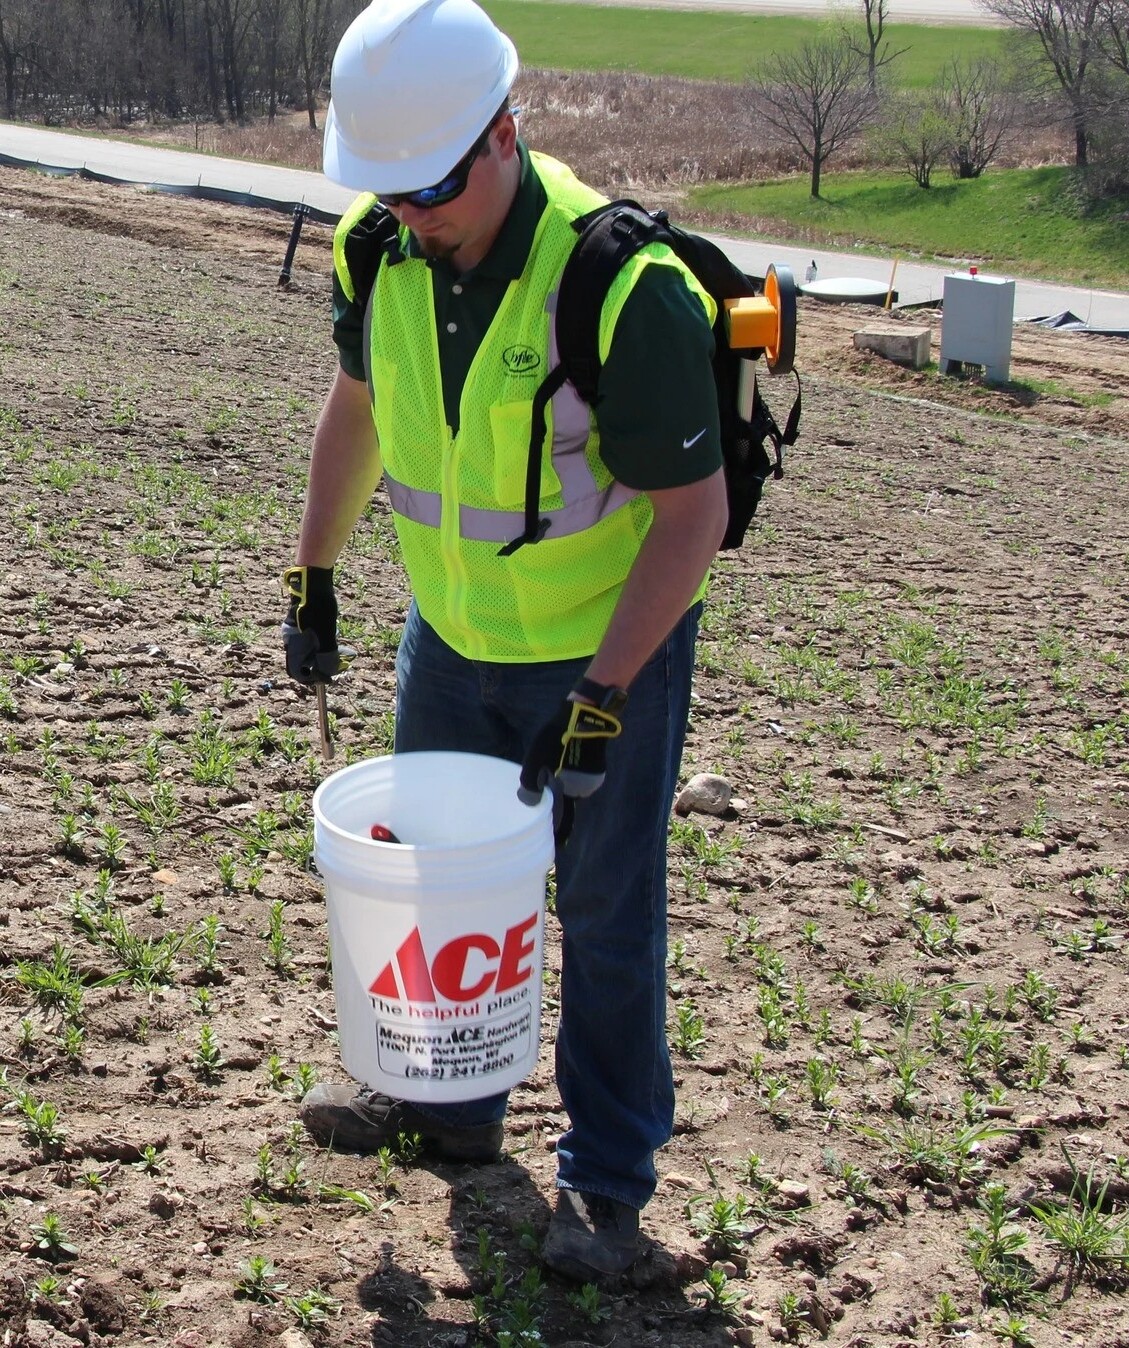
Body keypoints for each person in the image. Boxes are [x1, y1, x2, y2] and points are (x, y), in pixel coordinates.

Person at [283, 0, 728, 1282]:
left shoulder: (622, 287)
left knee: (603, 913)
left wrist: (605, 691)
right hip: (450, 638)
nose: (409, 211)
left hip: (600, 655)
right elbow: (359, 408)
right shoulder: (377, 251)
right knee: (435, 884)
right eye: (387, 187)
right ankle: (448, 1103)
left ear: (502, 133)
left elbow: (691, 518)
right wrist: (315, 570)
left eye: (430, 184)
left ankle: (607, 1186)